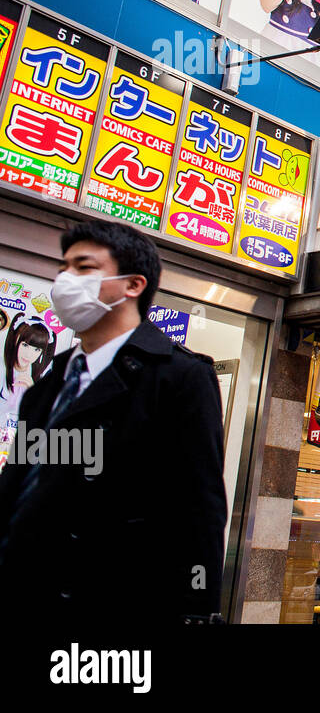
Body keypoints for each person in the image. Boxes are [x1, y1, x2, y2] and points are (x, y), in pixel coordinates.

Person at [0, 220, 226, 622]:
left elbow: (200, 511)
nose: (66, 281)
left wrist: (195, 608)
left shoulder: (178, 378)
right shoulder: (49, 385)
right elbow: (26, 486)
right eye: (63, 268)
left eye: (84, 268)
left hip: (114, 607)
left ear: (133, 285)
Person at [1, 318, 59, 469]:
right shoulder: (2, 370)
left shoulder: (41, 378)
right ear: (15, 341)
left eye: (36, 349)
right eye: (25, 345)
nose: (29, 354)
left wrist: (33, 392)